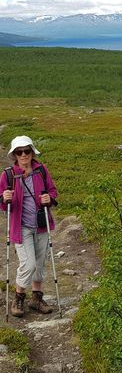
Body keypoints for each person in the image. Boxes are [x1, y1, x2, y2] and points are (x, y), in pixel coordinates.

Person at [0, 135, 58, 317]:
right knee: (29, 264)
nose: (24, 154)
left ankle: (36, 298)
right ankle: (18, 297)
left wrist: (50, 198)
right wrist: (4, 198)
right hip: (21, 226)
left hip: (41, 224)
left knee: (40, 263)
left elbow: (53, 190)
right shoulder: (8, 175)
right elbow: (1, 201)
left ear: (32, 152)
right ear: (14, 155)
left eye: (27, 151)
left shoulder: (41, 170)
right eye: (19, 152)